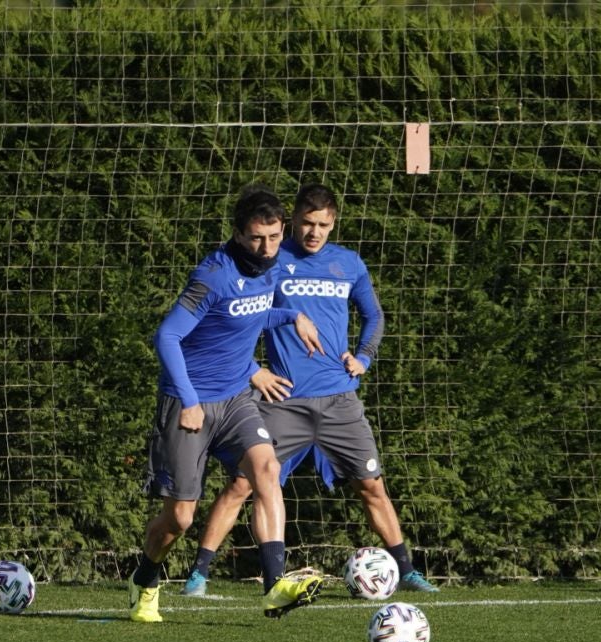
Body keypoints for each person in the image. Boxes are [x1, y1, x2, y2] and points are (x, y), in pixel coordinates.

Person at [180, 184, 439, 597]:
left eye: (323, 225)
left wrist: (364, 357)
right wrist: (252, 371)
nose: (314, 232)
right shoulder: (268, 261)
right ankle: (199, 573)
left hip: (340, 401)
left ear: (333, 223)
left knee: (372, 485)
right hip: (284, 402)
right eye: (306, 223)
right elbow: (229, 321)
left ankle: (406, 570)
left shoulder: (348, 264)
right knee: (244, 484)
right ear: (291, 222)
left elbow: (374, 315)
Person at [128, 185, 327, 623]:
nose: (268, 247)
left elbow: (250, 313)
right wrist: (188, 399)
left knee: (266, 470)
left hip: (237, 397)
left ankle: (275, 586)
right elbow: (168, 335)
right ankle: (145, 577)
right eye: (258, 238)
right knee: (178, 519)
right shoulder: (212, 275)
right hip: (191, 403)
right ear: (238, 234)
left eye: (275, 237)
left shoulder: (274, 269)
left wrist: (293, 315)